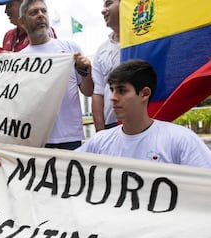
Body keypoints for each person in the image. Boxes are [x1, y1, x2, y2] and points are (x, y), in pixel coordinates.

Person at [76, 59, 211, 168]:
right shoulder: (99, 142)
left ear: (144, 94)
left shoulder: (181, 140)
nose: (112, 97)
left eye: (121, 90)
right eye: (112, 90)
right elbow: (63, 167)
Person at [19, 0, 94, 150]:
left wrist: (86, 72)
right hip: (37, 139)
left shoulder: (70, 48)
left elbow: (88, 91)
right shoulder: (19, 60)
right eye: (34, 12)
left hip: (70, 137)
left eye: (43, 11)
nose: (41, 15)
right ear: (22, 22)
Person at [91, 0, 120, 132]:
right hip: (111, 127)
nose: (103, 10)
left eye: (108, 4)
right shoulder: (102, 50)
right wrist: (101, 135)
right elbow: (98, 93)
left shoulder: (145, 42)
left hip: (143, 125)